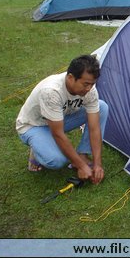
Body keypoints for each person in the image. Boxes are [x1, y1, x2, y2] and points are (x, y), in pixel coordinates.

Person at [16, 54, 109, 184]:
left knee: (102, 107)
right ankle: (37, 150)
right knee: (57, 161)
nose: (89, 89)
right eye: (85, 84)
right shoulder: (51, 91)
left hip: (58, 119)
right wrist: (82, 167)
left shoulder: (90, 90)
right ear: (70, 78)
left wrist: (97, 164)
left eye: (92, 84)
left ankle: (82, 155)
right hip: (34, 126)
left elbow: (94, 128)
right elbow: (58, 134)